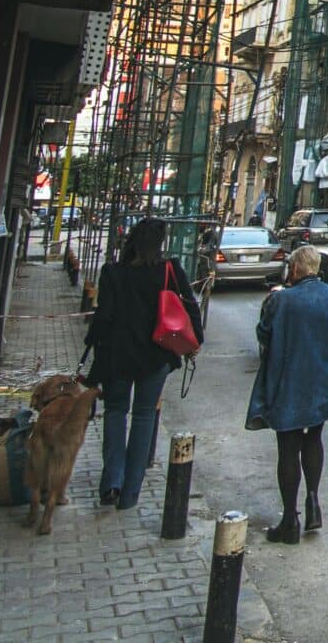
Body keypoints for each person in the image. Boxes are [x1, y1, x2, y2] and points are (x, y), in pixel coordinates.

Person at [84, 216, 204, 509]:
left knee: (114, 413)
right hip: (155, 355)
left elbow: (103, 316)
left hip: (117, 355)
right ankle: (130, 492)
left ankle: (112, 481)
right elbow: (190, 306)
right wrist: (194, 342)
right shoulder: (168, 270)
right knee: (143, 417)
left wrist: (91, 345)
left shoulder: (112, 272)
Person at [246, 245, 328, 544]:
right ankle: (313, 501)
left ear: (294, 270)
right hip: (322, 380)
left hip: (288, 381)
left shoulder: (281, 300)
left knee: (288, 448)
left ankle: (289, 519)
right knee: (313, 439)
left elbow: (264, 333)